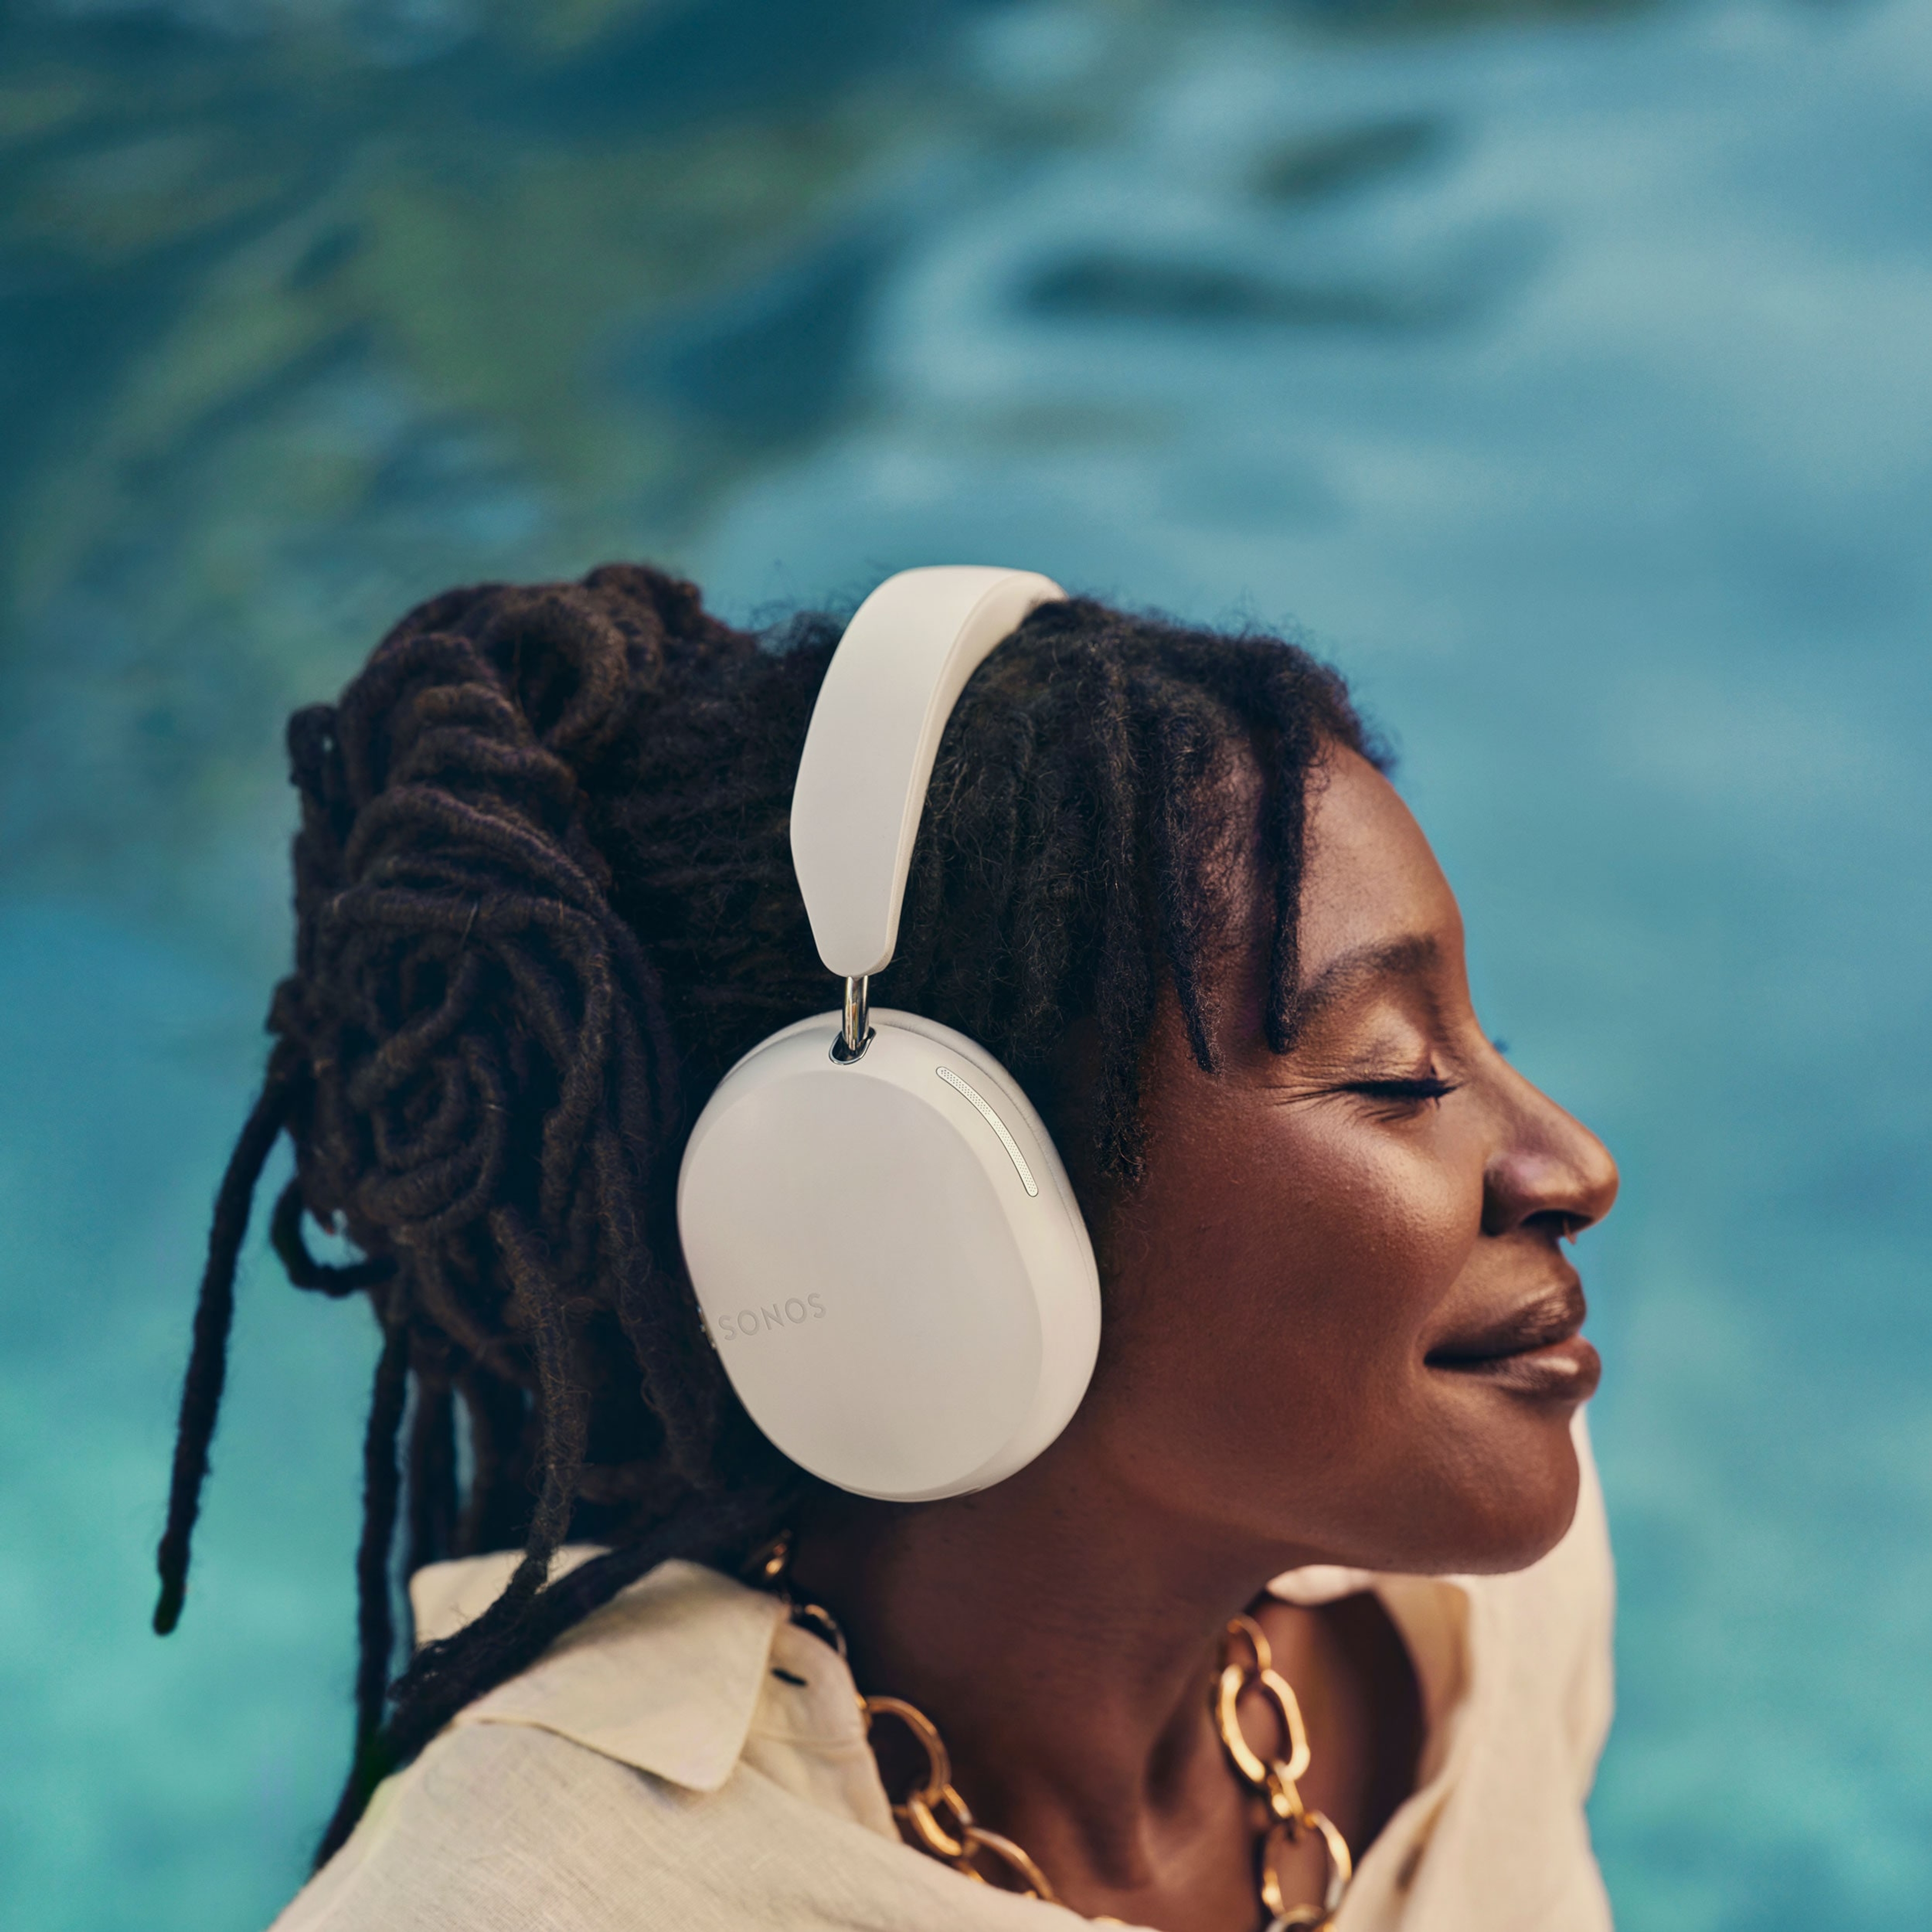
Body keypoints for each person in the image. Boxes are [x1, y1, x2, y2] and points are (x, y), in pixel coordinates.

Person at [152, 562, 1620, 1930]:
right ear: (915, 1207)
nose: (1573, 1166)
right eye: (1398, 1075)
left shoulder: (1488, 1606)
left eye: (1490, 1045)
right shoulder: (525, 1898)